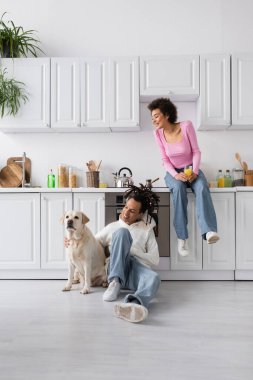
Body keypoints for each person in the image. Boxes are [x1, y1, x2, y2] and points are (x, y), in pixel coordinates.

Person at [147, 97, 219, 257]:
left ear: (166, 114)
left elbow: (196, 152)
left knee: (201, 188)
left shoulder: (186, 126)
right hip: (173, 172)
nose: (154, 120)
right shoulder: (157, 134)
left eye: (156, 116)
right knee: (179, 190)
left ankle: (209, 232)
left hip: (191, 169)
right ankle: (182, 238)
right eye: (152, 117)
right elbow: (165, 160)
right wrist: (175, 175)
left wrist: (194, 171)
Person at [95, 185, 160, 323]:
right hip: (115, 267)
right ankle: (115, 282)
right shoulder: (113, 227)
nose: (126, 213)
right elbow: (92, 243)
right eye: (125, 207)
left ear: (140, 214)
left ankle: (134, 304)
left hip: (135, 271)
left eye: (132, 211)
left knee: (154, 278)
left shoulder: (147, 230)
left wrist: (131, 250)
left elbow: (155, 260)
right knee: (122, 233)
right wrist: (72, 241)